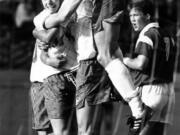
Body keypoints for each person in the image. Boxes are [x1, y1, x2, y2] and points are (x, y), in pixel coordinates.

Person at [42, 0, 152, 134]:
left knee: (106, 54)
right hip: (87, 60)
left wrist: (41, 23)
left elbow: (61, 17)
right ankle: (137, 107)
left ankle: (139, 109)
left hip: (88, 62)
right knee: (106, 53)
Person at [123, 0, 176, 135]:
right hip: (169, 92)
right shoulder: (168, 34)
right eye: (130, 16)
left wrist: (125, 60)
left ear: (147, 16)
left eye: (136, 15)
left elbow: (141, 63)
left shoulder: (148, 35)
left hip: (151, 90)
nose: (132, 19)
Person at [29, 0, 78, 135]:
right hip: (40, 79)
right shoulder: (41, 17)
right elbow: (44, 46)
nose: (49, 2)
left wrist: (38, 34)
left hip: (61, 75)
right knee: (44, 130)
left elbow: (47, 36)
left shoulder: (68, 13)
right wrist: (49, 59)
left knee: (65, 129)